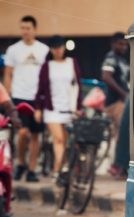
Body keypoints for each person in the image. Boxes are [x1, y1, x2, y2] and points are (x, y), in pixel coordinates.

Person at [3, 15, 49, 182]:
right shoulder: (13, 50)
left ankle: (31, 169)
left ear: (34, 30)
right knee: (23, 133)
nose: (25, 31)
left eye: (28, 28)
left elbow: (46, 76)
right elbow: (8, 74)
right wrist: (7, 96)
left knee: (36, 135)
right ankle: (20, 163)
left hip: (37, 98)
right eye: (22, 28)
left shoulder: (43, 50)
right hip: (19, 96)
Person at [33, 35, 82, 181]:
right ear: (51, 50)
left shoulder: (72, 63)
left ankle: (63, 170)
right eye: (55, 48)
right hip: (51, 109)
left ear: (64, 48)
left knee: (66, 142)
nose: (58, 50)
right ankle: (57, 170)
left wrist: (78, 107)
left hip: (69, 108)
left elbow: (78, 85)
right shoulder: (47, 66)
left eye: (60, 47)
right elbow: (40, 89)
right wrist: (38, 108)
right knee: (58, 139)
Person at [101, 32, 129, 179]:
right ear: (113, 44)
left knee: (121, 134)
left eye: (125, 44)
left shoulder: (122, 60)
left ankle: (119, 166)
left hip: (121, 101)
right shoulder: (111, 58)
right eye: (120, 43)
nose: (123, 46)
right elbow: (106, 76)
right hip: (115, 103)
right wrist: (124, 95)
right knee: (124, 133)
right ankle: (118, 166)